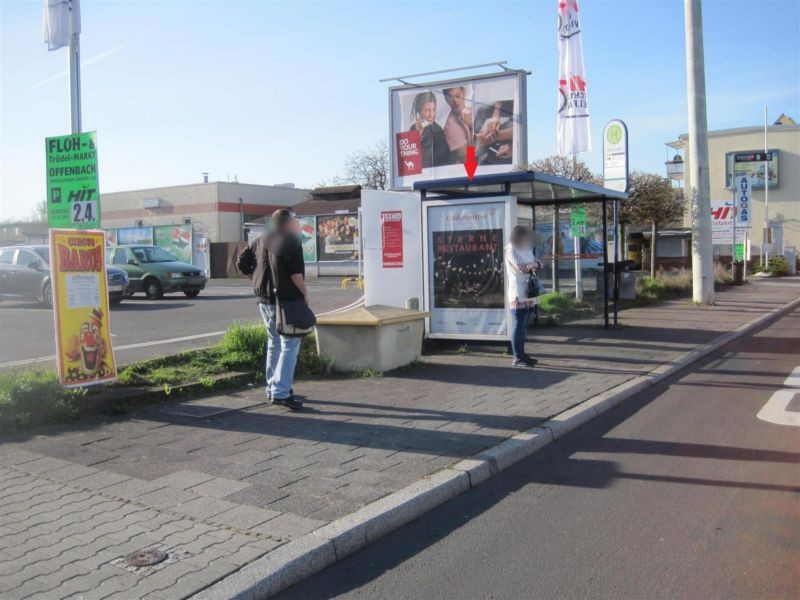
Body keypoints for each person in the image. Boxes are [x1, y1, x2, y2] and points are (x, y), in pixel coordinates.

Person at [237, 209, 307, 410]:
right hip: (285, 299)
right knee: (290, 344)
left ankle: (272, 385)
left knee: (274, 342)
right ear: (286, 224)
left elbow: (242, 263)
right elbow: (296, 275)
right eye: (294, 222)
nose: (297, 226)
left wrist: (255, 279)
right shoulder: (290, 241)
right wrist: (305, 295)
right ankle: (281, 391)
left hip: (263, 299)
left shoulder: (259, 240)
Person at [505, 225, 542, 368]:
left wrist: (533, 265)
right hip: (517, 294)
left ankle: (522, 354)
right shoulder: (510, 249)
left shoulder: (525, 248)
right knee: (518, 325)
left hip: (528, 292)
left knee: (524, 325)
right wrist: (532, 265)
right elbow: (520, 267)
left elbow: (539, 263)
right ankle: (517, 357)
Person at [410, 91, 451, 168]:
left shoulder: (439, 131)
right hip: (418, 176)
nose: (431, 115)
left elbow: (446, 159)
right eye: (428, 110)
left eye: (434, 109)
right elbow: (408, 158)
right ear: (420, 111)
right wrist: (418, 134)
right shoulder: (413, 129)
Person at [442, 86, 473, 163]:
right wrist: (471, 127)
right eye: (450, 98)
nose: (455, 101)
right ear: (446, 100)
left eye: (458, 95)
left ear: (464, 92)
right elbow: (468, 160)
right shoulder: (449, 128)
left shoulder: (475, 110)